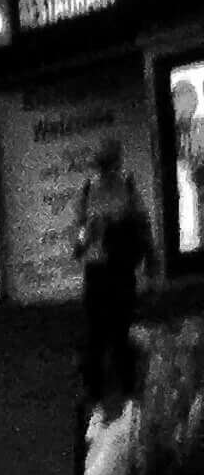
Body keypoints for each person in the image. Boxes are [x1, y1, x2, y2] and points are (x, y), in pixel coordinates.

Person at [81, 141, 156, 409]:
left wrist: (82, 242)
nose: (106, 169)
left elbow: (141, 223)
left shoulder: (113, 186)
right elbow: (142, 222)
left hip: (109, 268)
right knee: (111, 331)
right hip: (110, 269)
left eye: (105, 163)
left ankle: (104, 390)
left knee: (107, 332)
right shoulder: (111, 186)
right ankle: (117, 389)